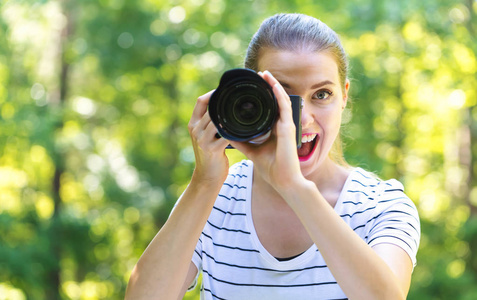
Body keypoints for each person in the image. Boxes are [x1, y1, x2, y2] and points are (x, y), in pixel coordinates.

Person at [125, 13, 420, 300]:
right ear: (252, 99)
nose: (302, 120)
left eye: (322, 94)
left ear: (343, 96)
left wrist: (294, 187)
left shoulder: (381, 206)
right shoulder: (216, 197)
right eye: (283, 95)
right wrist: (204, 183)